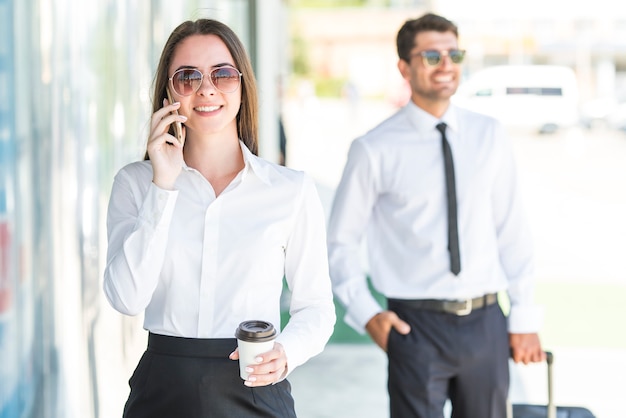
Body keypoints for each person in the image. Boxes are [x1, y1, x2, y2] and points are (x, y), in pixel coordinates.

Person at [103, 18, 335, 418]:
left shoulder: (289, 189)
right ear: (167, 91)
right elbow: (126, 298)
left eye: (223, 74)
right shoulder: (135, 184)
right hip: (162, 389)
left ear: (243, 86)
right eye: (188, 76)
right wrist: (163, 186)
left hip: (256, 387)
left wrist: (287, 353)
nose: (207, 88)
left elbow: (316, 306)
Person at [327, 13, 544, 418]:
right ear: (404, 67)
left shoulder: (490, 134)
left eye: (453, 54)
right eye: (431, 55)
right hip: (415, 326)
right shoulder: (374, 149)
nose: (446, 65)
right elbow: (340, 241)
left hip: (486, 323)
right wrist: (366, 313)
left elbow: (512, 230)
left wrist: (524, 315)